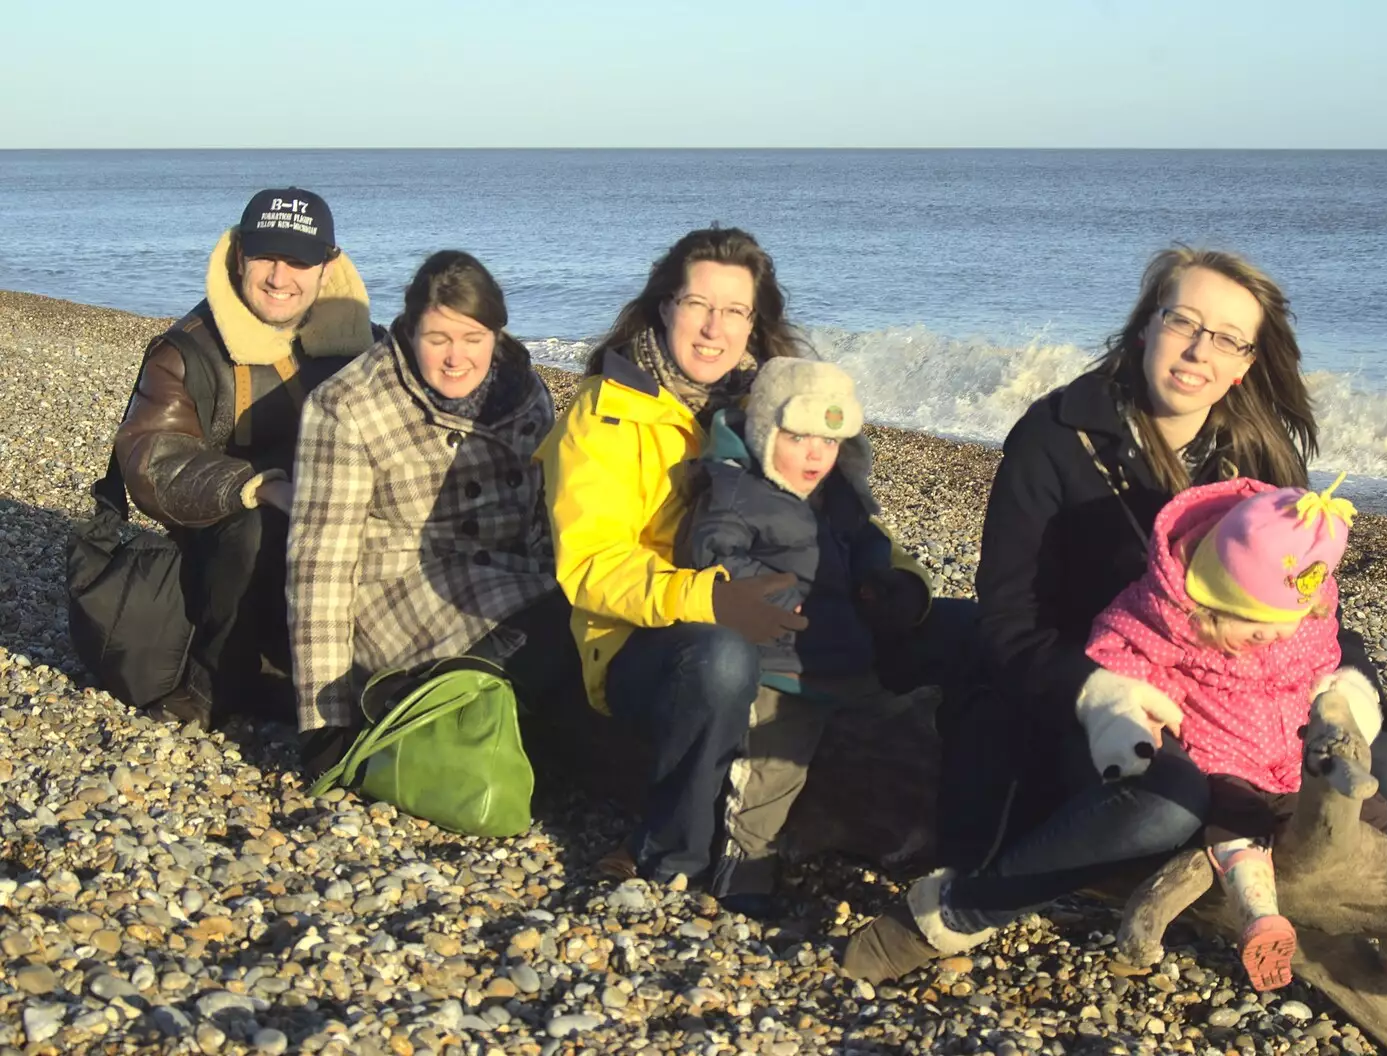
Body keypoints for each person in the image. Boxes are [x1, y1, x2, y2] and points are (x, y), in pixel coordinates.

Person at [843, 246, 1387, 984]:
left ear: (1247, 363)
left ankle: (1315, 906)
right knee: (1166, 803)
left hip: (1249, 702)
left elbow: (1310, 604)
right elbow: (1009, 626)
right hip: (1094, 699)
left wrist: (1346, 688)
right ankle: (957, 911)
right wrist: (1103, 699)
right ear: (1145, 326)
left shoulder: (1262, 455)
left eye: (1227, 338)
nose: (1200, 349)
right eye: (1183, 321)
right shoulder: (1055, 438)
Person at [538, 226, 969, 898]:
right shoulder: (607, 413)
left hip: (790, 616)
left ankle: (1006, 839)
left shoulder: (774, 408)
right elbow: (593, 566)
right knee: (721, 658)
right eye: (698, 306)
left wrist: (903, 582)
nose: (714, 329)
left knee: (963, 629)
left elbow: (852, 519)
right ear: (664, 308)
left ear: (754, 322)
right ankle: (671, 850)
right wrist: (710, 599)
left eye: (734, 311)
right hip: (644, 643)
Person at [1083, 473, 1384, 991]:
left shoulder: (1305, 616)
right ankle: (1259, 916)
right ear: (1211, 599)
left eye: (1282, 621)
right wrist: (1137, 708)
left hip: (1291, 755)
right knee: (1235, 820)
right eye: (1251, 623)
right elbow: (1114, 651)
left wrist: (1342, 701)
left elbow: (1327, 660)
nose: (1270, 634)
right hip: (1221, 757)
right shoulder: (1170, 620)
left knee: (1370, 815)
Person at [287, 250, 570, 777]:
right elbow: (319, 564)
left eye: (473, 339)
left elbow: (544, 511)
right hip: (399, 594)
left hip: (513, 582)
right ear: (410, 332)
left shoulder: (525, 391)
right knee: (552, 640)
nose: (455, 357)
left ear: (498, 335)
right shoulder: (347, 405)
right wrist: (324, 722)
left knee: (594, 635)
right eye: (437, 339)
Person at [115, 187, 381, 730]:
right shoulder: (185, 350)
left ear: (328, 267)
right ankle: (214, 682)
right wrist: (258, 485)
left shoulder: (369, 345)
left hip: (341, 524)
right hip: (223, 544)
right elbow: (151, 457)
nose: (280, 278)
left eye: (300, 260)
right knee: (255, 529)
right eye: (266, 257)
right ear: (239, 256)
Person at [675, 357, 936, 908]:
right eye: (798, 437)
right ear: (767, 431)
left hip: (842, 654)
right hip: (778, 662)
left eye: (830, 439)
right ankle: (742, 871)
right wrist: (783, 598)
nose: (815, 454)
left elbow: (866, 542)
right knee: (769, 771)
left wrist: (883, 582)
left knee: (905, 722)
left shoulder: (838, 494)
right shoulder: (737, 492)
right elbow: (711, 556)